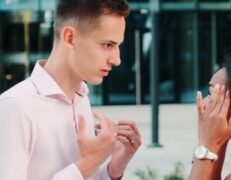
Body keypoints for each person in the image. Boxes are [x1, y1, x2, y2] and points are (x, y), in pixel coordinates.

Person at [0, 0, 142, 179]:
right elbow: (82, 171)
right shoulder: (15, 107)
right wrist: (88, 163)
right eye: (107, 45)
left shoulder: (81, 99)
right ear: (70, 38)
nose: (117, 60)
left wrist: (113, 169)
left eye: (117, 46)